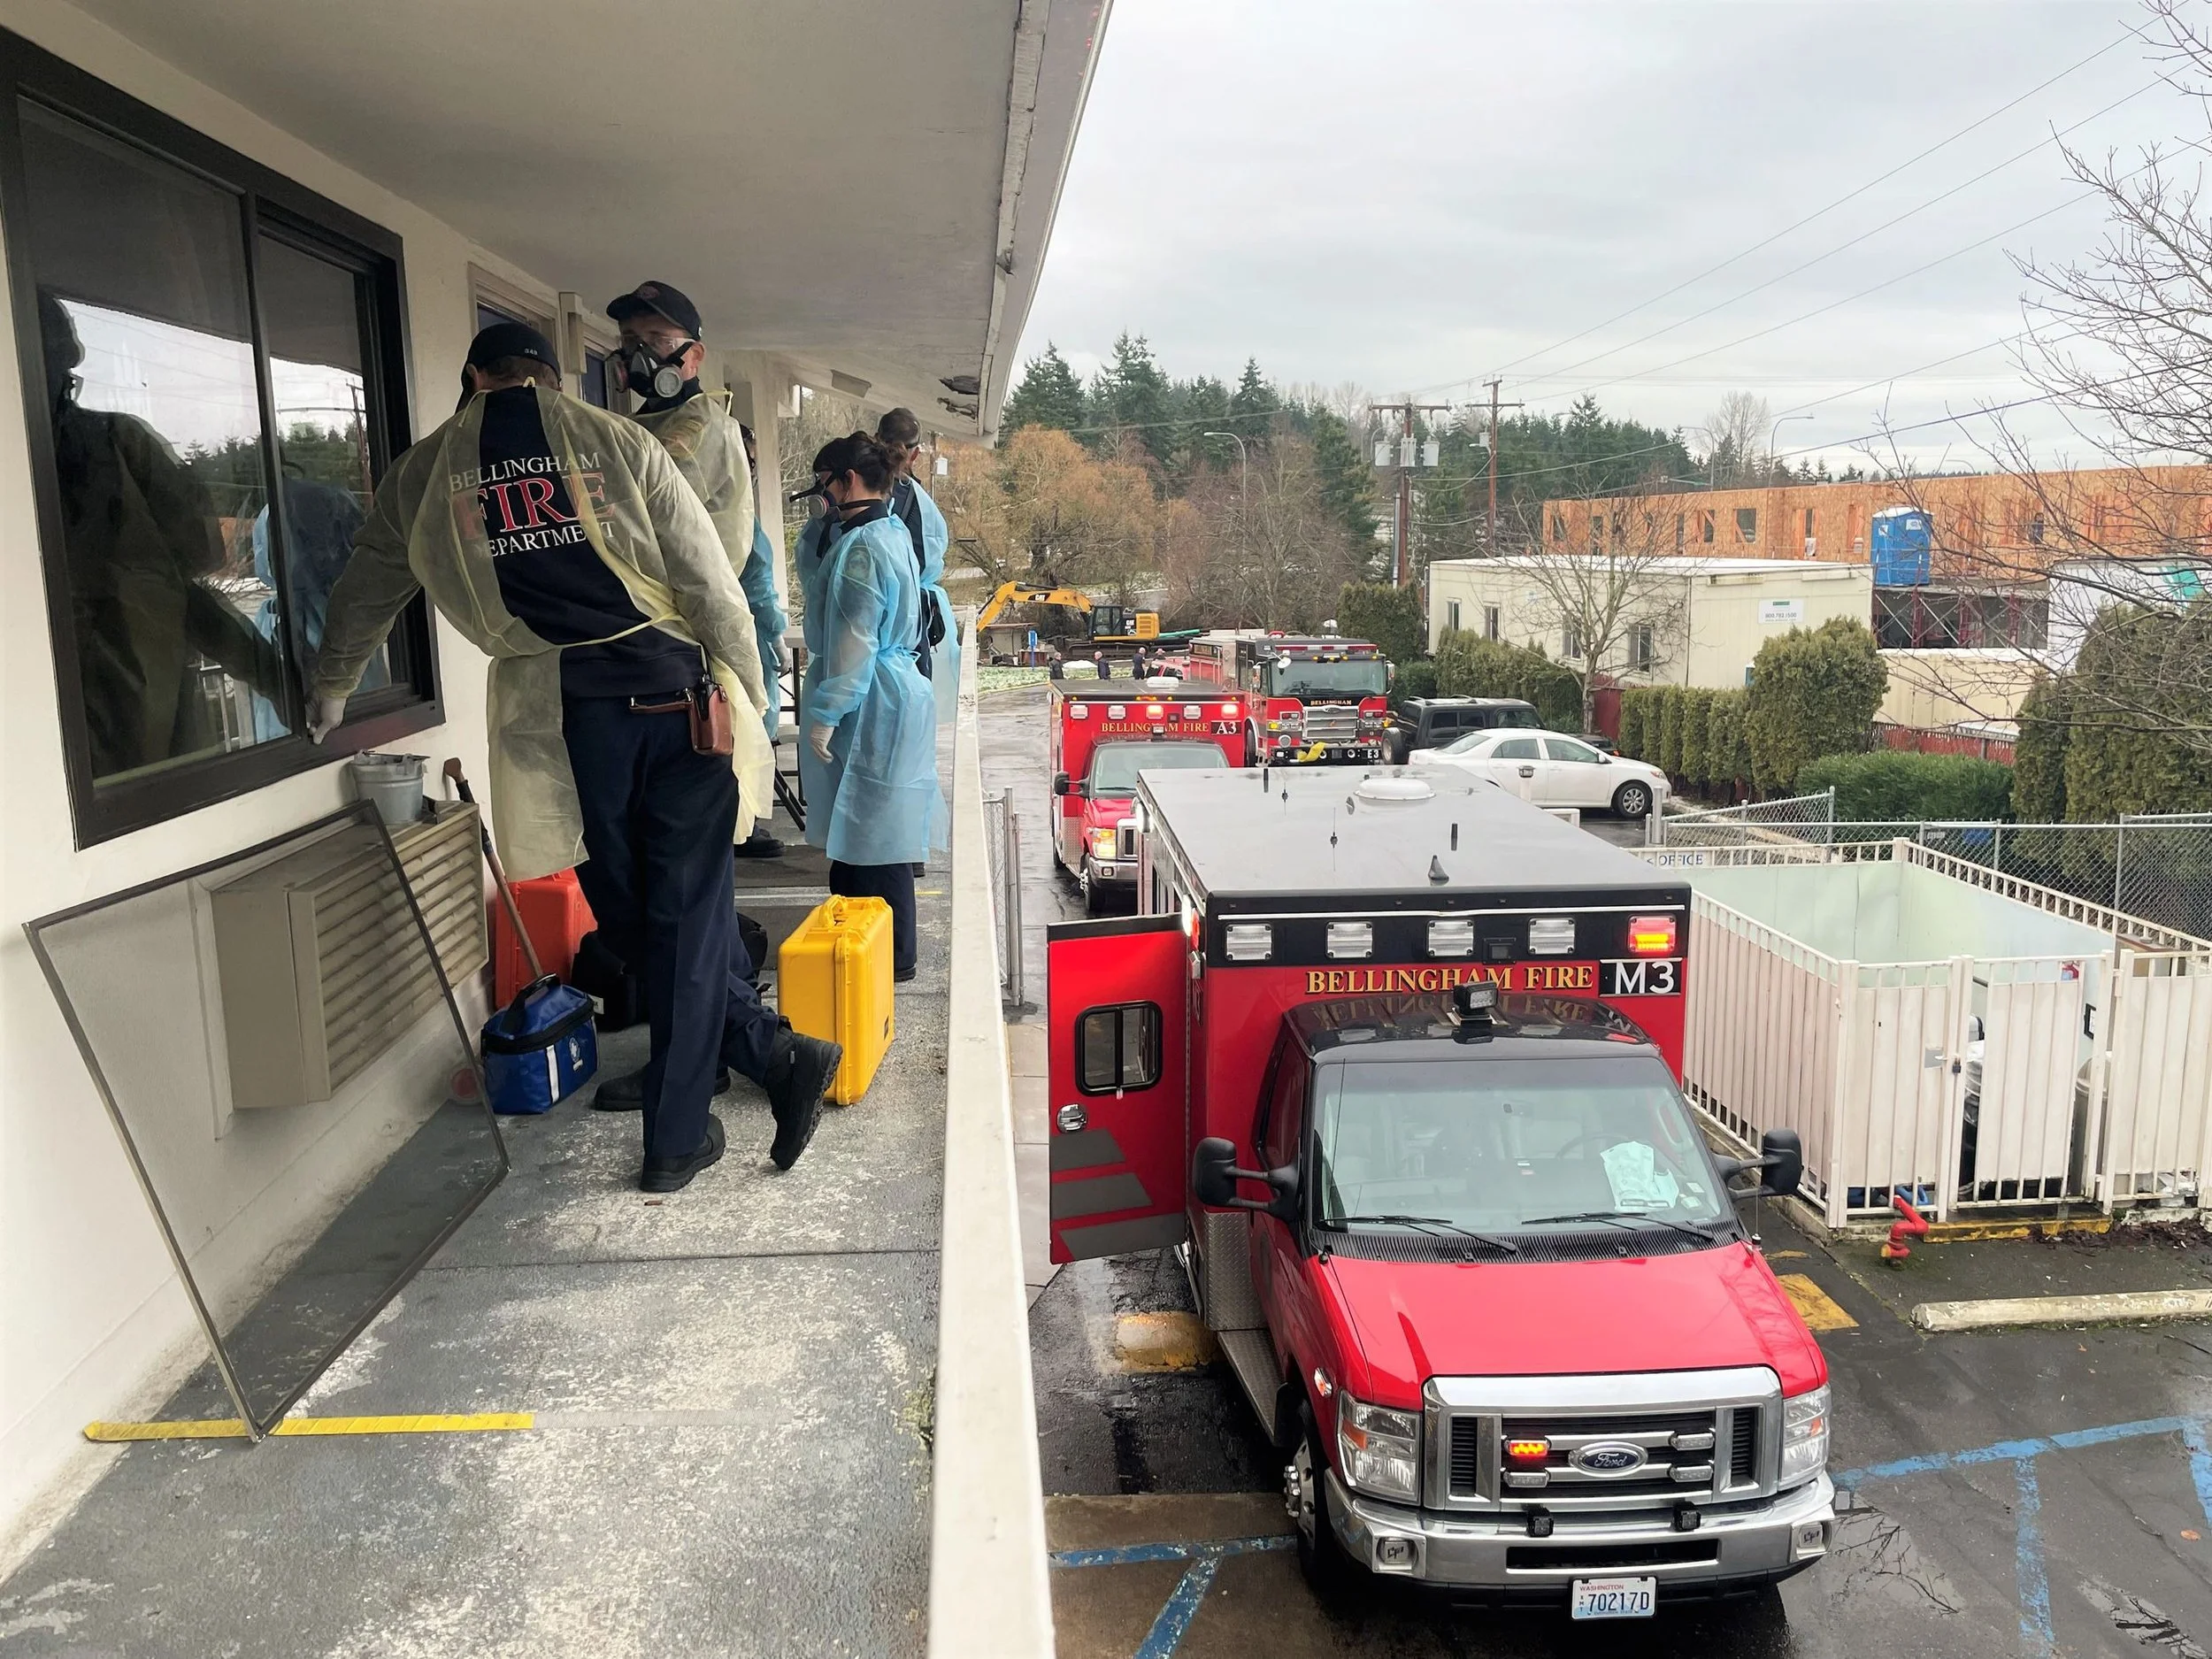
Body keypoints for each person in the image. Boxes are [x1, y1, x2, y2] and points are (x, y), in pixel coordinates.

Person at [309, 321, 841, 1190]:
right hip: (677, 710)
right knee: (678, 925)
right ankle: (761, 1067)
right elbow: (707, 580)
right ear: (552, 380)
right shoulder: (618, 439)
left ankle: (702, 1112)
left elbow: (368, 581)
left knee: (643, 920)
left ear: (473, 377)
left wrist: (334, 683)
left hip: (569, 729)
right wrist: (751, 692)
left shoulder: (427, 471)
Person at [38, 288, 284, 776]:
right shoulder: (117, 445)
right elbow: (198, 562)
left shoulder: (116, 447)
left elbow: (193, 576)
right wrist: (286, 684)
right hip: (144, 741)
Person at [601, 281, 783, 864]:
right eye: (630, 340)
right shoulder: (632, 430)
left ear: (693, 356)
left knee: (684, 850)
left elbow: (707, 563)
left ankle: (704, 954)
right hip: (643, 652)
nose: (638, 354)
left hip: (682, 651)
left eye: (656, 340)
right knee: (656, 845)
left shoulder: (701, 427)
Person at [802, 433, 941, 980]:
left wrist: (826, 713)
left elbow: (853, 640)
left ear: (847, 481)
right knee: (881, 832)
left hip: (871, 701)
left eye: (826, 485)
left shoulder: (862, 550)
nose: (824, 498)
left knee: (869, 838)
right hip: (895, 692)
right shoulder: (889, 531)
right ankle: (889, 953)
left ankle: (883, 956)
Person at [873, 408, 959, 721]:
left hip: (863, 640)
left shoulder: (853, 494)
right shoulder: (918, 503)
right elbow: (928, 564)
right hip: (908, 637)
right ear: (916, 454)